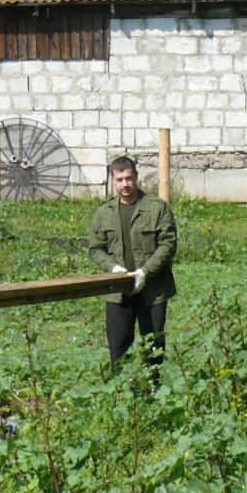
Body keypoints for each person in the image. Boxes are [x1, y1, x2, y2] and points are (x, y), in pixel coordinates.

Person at [88, 156, 177, 385]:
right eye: (119, 179)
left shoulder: (157, 208)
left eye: (128, 178)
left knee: (153, 345)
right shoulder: (104, 212)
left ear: (136, 177)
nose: (124, 184)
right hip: (118, 292)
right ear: (113, 181)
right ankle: (121, 393)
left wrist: (145, 272)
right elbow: (95, 248)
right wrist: (113, 268)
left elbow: (168, 244)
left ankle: (154, 389)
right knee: (118, 346)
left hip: (152, 290)